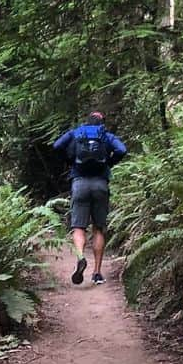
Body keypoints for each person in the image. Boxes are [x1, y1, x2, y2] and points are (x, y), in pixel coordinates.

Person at [53, 111, 127, 285]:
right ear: (102, 123)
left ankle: (80, 257)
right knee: (98, 228)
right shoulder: (106, 136)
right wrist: (110, 162)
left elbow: (57, 146)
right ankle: (97, 273)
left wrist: (70, 160)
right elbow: (122, 150)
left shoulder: (76, 133)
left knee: (79, 227)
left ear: (87, 122)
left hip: (79, 183)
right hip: (101, 184)